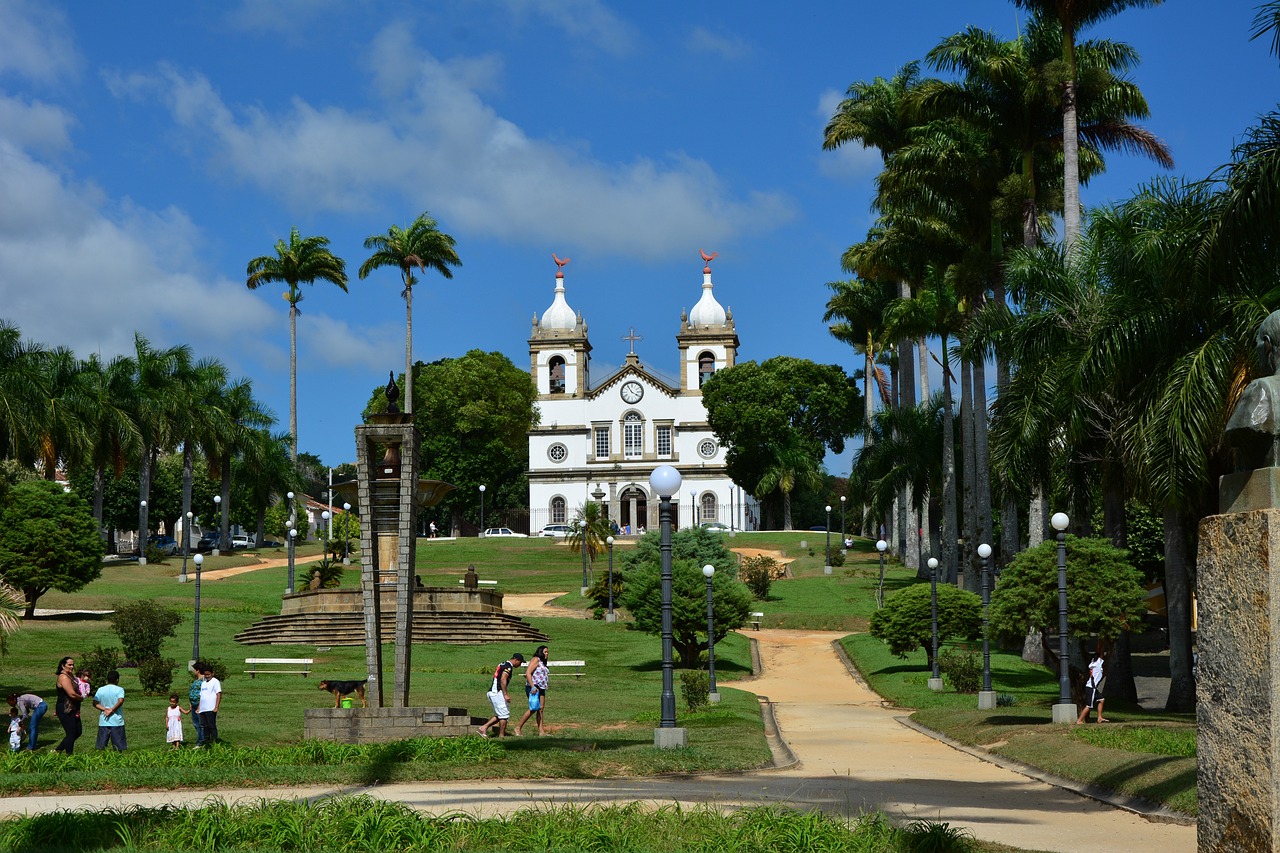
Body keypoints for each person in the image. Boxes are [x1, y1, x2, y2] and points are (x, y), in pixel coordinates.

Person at [477, 652, 524, 739]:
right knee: (504, 715)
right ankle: (501, 736)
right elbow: (503, 679)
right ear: (516, 660)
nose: (520, 665)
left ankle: (483, 728)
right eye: (520, 662)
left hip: (493, 691)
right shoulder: (508, 667)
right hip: (497, 692)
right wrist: (505, 694)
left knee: (500, 714)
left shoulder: (502, 664)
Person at [514, 645, 549, 737]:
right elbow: (528, 673)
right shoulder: (536, 659)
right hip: (534, 687)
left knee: (540, 709)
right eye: (545, 652)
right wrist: (533, 686)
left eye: (547, 652)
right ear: (540, 652)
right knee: (533, 708)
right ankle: (518, 727)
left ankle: (541, 732)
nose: (547, 654)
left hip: (542, 687)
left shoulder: (543, 662)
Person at [53, 656, 83, 754]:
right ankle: (69, 756)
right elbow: (71, 694)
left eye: (73, 664)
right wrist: (81, 698)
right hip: (65, 709)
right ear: (63, 665)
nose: (72, 667)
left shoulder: (70, 675)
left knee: (78, 731)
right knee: (71, 733)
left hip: (73, 708)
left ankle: (58, 750)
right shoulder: (63, 677)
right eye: (69, 665)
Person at [93, 669, 126, 751]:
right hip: (117, 721)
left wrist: (105, 709)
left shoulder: (101, 689)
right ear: (117, 680)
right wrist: (112, 709)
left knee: (101, 746)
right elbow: (120, 700)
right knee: (118, 747)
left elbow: (95, 703)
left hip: (104, 721)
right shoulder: (119, 689)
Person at [1077, 650, 1109, 724]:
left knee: (1101, 700)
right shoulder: (1098, 664)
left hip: (1091, 687)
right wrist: (1102, 641)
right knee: (1089, 705)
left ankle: (1099, 718)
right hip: (1092, 688)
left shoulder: (1092, 663)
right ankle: (1079, 720)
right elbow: (1100, 651)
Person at [195, 664, 222, 747]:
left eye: (208, 674)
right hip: (203, 708)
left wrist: (216, 706)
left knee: (211, 725)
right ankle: (206, 741)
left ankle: (214, 740)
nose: (207, 676)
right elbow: (201, 696)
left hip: (211, 708)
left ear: (212, 673)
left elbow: (219, 694)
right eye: (205, 674)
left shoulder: (215, 682)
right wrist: (199, 707)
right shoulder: (203, 683)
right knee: (204, 725)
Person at [187, 667, 205, 746]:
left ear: (198, 670)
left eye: (195, 670)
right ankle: (199, 739)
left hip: (199, 704)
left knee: (200, 723)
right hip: (193, 704)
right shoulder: (196, 681)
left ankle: (201, 741)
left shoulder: (203, 681)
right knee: (196, 723)